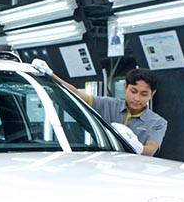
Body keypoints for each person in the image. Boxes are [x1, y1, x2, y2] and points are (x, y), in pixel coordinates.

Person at [31, 59, 167, 156]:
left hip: (136, 170)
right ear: (125, 87)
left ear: (152, 94)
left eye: (144, 94)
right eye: (133, 91)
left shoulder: (157, 122)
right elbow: (77, 94)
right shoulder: (107, 105)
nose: (137, 98)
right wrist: (51, 75)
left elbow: (151, 149)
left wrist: (139, 148)